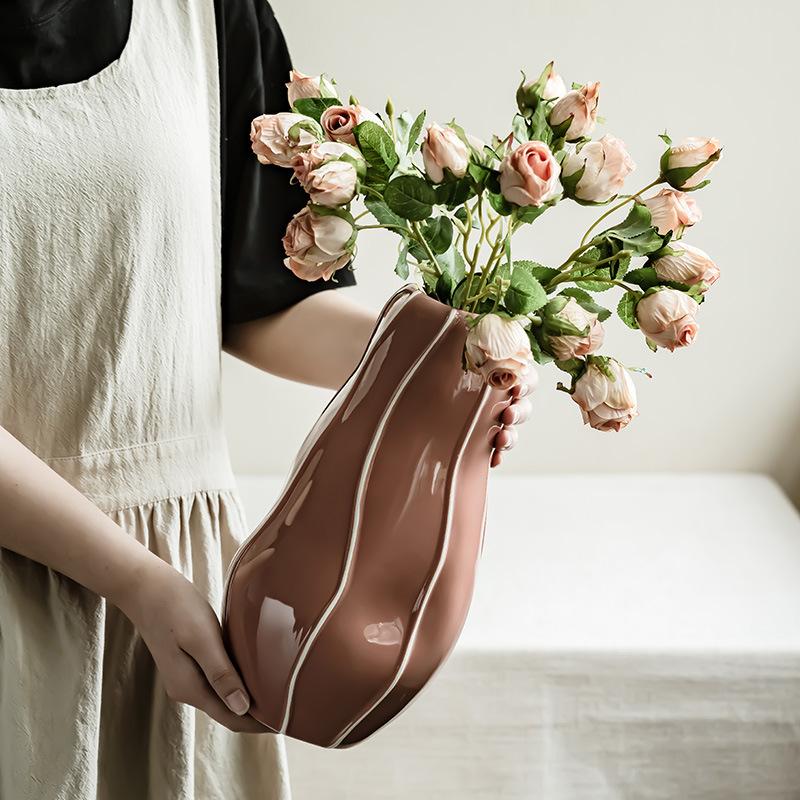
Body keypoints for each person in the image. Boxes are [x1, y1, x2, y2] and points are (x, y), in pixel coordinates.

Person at [0, 1, 535, 798]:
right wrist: (136, 582)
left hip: (173, 583)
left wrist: (442, 365)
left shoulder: (209, 13)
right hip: (109, 586)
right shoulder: (148, 588)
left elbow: (262, 299)